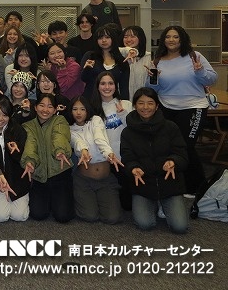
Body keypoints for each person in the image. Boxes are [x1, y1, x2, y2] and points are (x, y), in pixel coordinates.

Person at [148, 25, 217, 195]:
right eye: (168, 37)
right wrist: (152, 78)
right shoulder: (158, 60)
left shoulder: (195, 56)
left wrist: (200, 71)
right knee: (169, 147)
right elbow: (152, 90)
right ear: (163, 40)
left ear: (182, 39)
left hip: (193, 107)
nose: (171, 40)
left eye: (175, 36)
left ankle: (197, 187)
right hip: (166, 107)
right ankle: (176, 184)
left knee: (185, 147)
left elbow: (212, 79)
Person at [121, 87, 189, 234]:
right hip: (143, 185)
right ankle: (155, 204)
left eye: (150, 103)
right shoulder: (127, 132)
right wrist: (133, 168)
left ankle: (163, 203)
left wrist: (173, 162)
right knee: (145, 224)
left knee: (180, 227)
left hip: (169, 184)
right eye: (141, 103)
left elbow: (182, 155)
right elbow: (127, 158)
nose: (145, 107)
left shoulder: (171, 127)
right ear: (135, 105)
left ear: (157, 106)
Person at [68, 95, 123, 224]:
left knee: (112, 218)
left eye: (82, 109)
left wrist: (109, 153)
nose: (78, 112)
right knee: (90, 216)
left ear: (87, 110)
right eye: (75, 109)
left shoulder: (96, 120)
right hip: (84, 180)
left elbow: (99, 138)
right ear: (70, 111)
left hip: (105, 179)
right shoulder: (69, 129)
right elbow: (77, 142)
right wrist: (83, 151)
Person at [20, 94, 74, 223]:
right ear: (35, 107)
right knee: (38, 214)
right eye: (42, 105)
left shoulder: (60, 120)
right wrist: (29, 161)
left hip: (60, 173)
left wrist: (60, 151)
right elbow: (30, 144)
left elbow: (59, 136)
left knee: (63, 217)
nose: (45, 110)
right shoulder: (28, 126)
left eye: (50, 106)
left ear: (55, 110)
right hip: (40, 177)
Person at [91, 71, 133, 210]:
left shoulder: (126, 104)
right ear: (97, 86)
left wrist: (123, 114)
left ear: (116, 86)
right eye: (103, 83)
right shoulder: (93, 109)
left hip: (126, 158)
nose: (107, 87)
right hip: (106, 160)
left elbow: (134, 129)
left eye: (110, 83)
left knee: (127, 205)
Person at [80, 25, 129, 100]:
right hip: (90, 100)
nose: (104, 40)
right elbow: (84, 78)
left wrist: (125, 104)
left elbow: (124, 88)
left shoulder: (122, 61)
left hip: (112, 101)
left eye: (107, 37)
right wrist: (86, 68)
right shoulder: (90, 56)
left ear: (113, 39)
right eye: (100, 38)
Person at [120, 25, 152, 99]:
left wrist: (154, 75)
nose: (128, 40)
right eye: (125, 37)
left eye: (133, 36)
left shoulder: (148, 57)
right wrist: (129, 50)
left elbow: (152, 83)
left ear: (140, 38)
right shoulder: (119, 55)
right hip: (122, 100)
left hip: (141, 99)